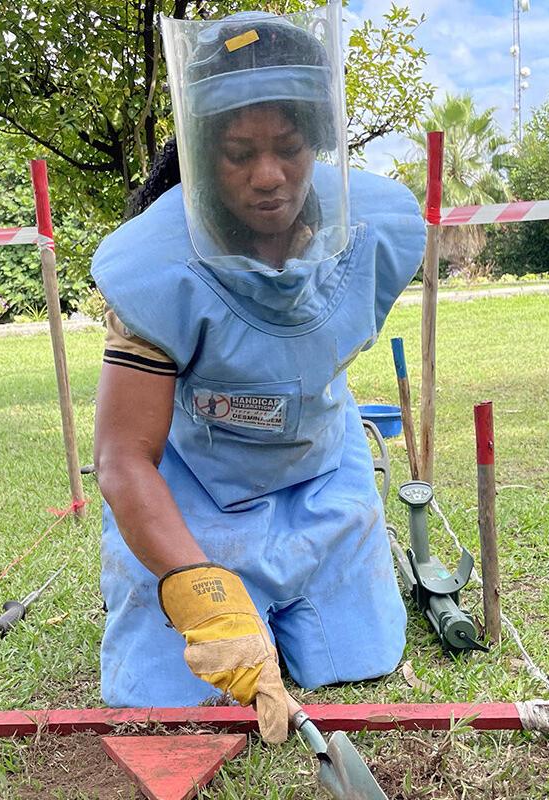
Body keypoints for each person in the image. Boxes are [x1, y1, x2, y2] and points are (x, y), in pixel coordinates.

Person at [91, 3, 426, 744]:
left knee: (359, 662)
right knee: (169, 694)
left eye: (290, 147)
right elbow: (121, 458)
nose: (269, 177)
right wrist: (198, 590)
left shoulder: (376, 231)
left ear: (319, 140)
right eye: (239, 153)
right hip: (196, 491)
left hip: (322, 476)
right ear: (202, 152)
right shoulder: (155, 269)